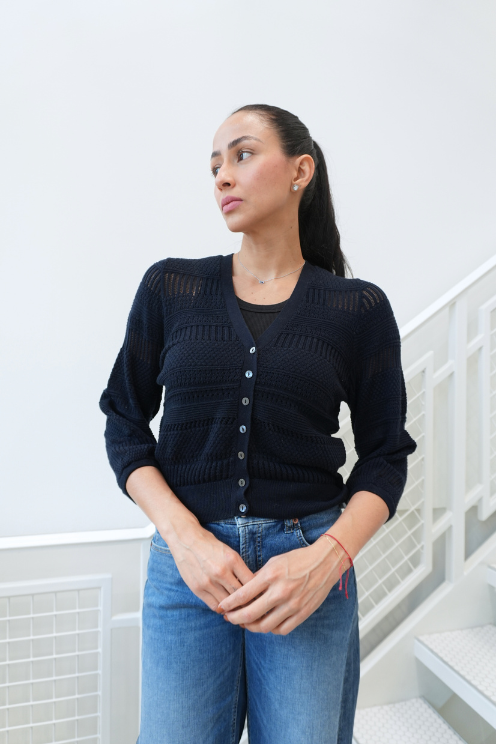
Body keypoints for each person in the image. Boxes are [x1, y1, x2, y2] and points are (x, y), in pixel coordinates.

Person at [99, 103, 417, 744]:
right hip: (188, 572)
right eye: (215, 165)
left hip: (307, 569)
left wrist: (327, 560)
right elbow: (124, 421)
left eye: (242, 155)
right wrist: (185, 539)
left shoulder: (357, 309)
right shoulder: (171, 288)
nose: (222, 175)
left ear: (301, 170)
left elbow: (386, 455)